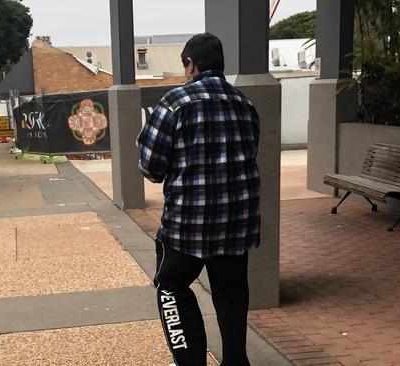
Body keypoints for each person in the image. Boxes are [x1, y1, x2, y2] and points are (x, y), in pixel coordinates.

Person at [137, 33, 261, 366]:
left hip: (188, 226)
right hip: (238, 223)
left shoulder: (175, 101)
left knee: (170, 287)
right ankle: (236, 361)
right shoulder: (244, 103)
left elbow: (151, 167)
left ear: (190, 63)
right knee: (232, 292)